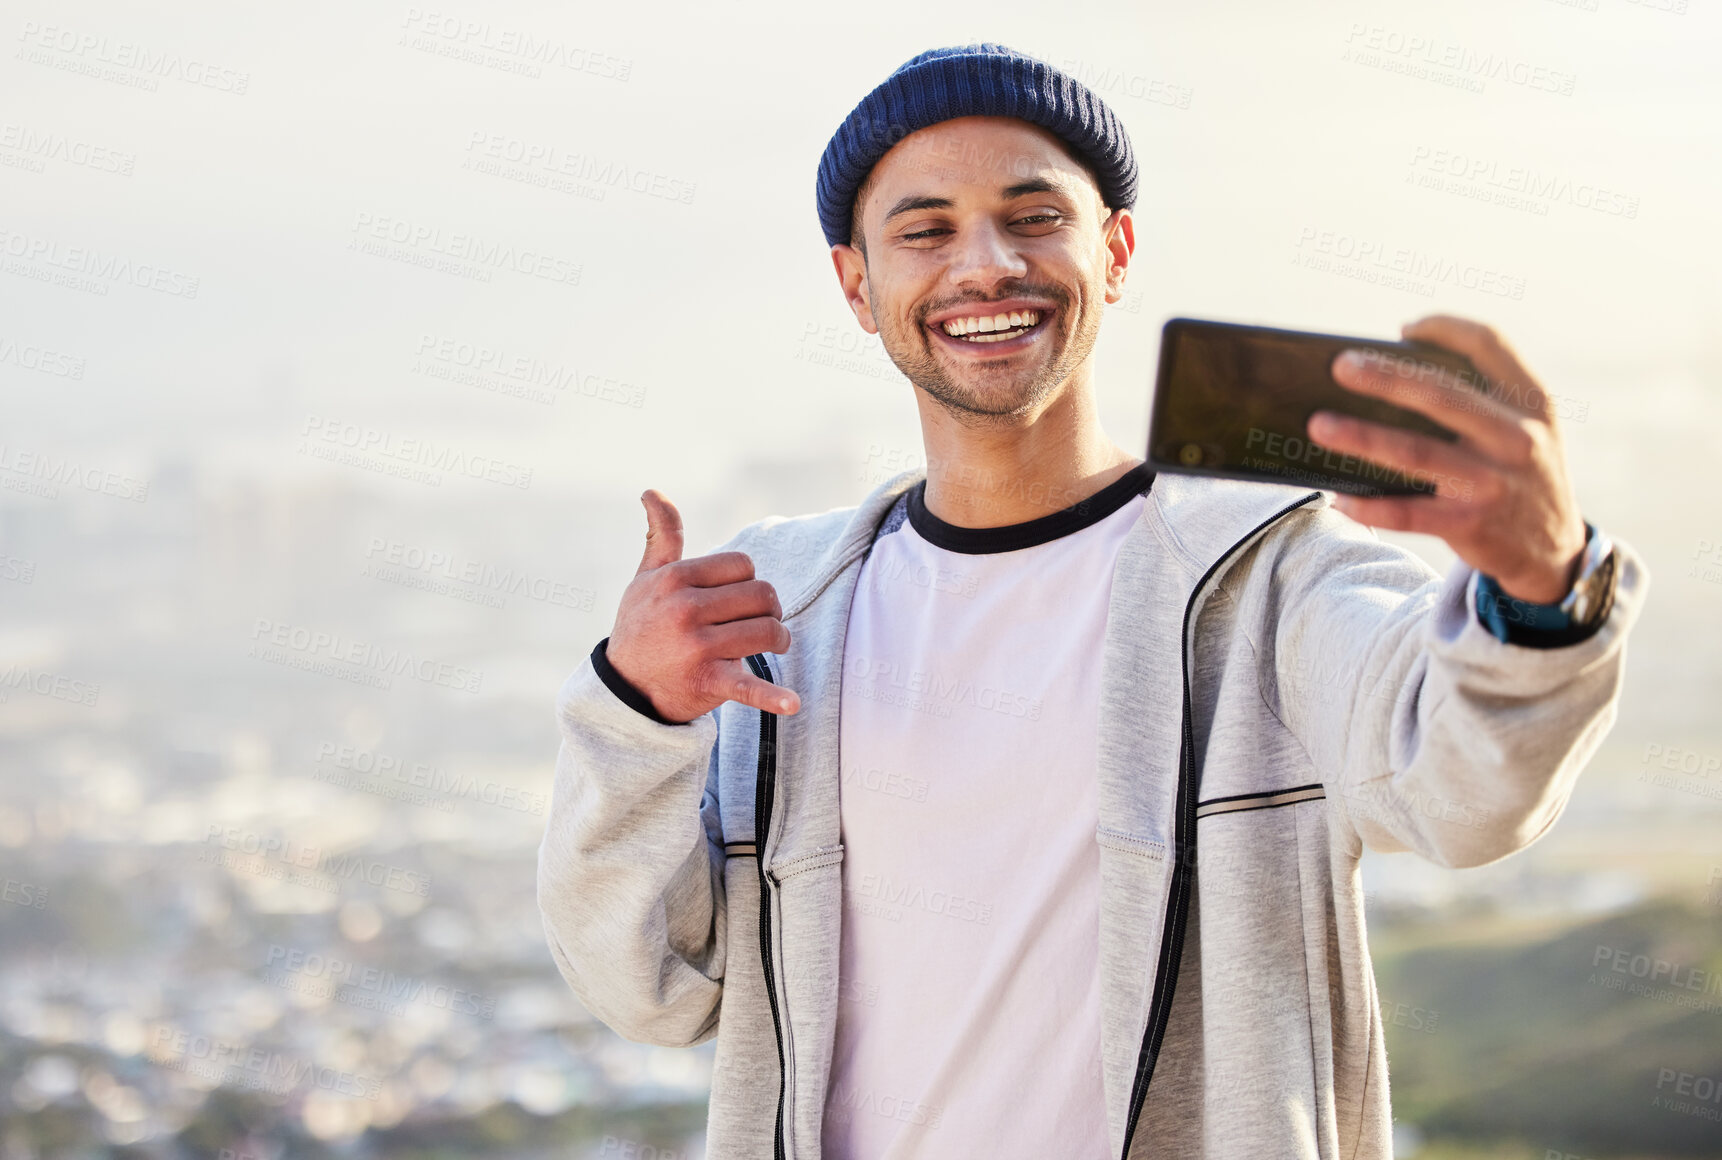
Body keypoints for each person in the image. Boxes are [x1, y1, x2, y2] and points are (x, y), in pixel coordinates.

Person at [536, 43, 1646, 1160]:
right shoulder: (784, 615)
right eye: (925, 230)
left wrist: (1543, 583)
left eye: (1033, 216)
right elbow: (650, 988)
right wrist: (638, 712)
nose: (985, 264)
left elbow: (1464, 792)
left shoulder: (1268, 572)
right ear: (856, 286)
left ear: (1113, 250)